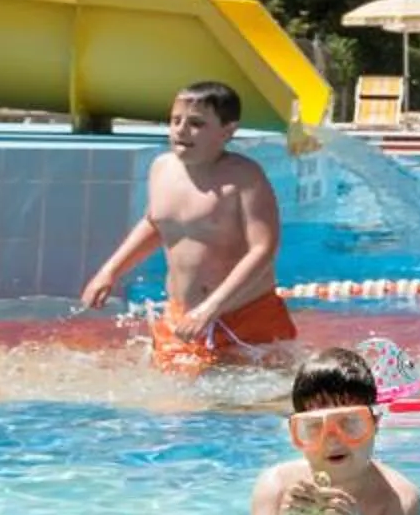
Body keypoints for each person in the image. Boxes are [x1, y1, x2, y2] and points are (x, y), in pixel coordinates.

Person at [80, 81, 296, 374]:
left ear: (227, 131)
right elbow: (155, 223)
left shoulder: (244, 178)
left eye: (196, 123)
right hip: (182, 318)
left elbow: (263, 249)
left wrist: (212, 307)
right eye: (175, 120)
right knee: (172, 409)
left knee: (248, 408)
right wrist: (111, 271)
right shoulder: (162, 168)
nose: (181, 130)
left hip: (246, 317)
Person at [248, 348, 420, 515]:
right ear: (296, 432)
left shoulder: (399, 499)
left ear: (375, 424)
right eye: (313, 426)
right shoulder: (275, 484)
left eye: (349, 423)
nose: (332, 440)